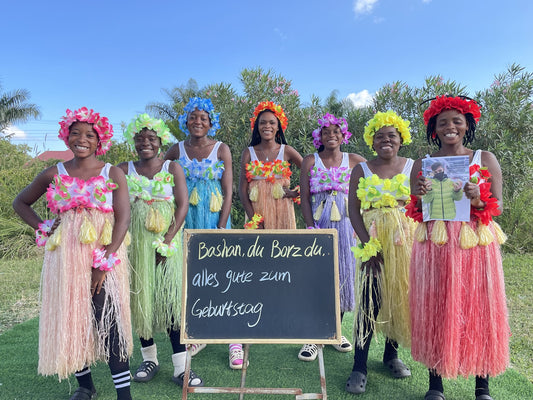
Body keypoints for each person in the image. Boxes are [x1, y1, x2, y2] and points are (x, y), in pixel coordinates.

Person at [13, 108, 133, 400]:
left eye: (89, 135)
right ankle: (85, 385)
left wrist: (104, 262)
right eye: (76, 133)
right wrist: (44, 227)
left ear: (99, 140)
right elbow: (21, 202)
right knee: (73, 318)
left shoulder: (112, 172)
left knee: (110, 320)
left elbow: (124, 217)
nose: (82, 139)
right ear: (66, 137)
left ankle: (124, 394)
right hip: (65, 259)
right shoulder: (54, 172)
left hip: (102, 257)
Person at [409, 95, 509, 400]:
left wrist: (478, 199)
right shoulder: (423, 164)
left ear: (467, 125)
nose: (450, 127)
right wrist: (420, 195)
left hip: (474, 244)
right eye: (443, 123)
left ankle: (482, 387)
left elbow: (499, 206)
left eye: (456, 121)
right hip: (437, 244)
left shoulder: (484, 158)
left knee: (479, 307)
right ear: (433, 129)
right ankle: (435, 385)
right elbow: (414, 208)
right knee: (436, 307)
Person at [117, 114, 203, 387]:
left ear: (160, 141)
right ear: (133, 142)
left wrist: (167, 241)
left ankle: (181, 368)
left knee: (171, 304)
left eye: (151, 139)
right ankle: (149, 359)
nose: (146, 143)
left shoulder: (172, 167)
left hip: (168, 245)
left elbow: (182, 205)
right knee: (142, 302)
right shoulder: (122, 169)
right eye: (140, 139)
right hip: (135, 246)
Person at [164, 97, 237, 368]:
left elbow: (229, 191)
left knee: (222, 274)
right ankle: (199, 331)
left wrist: (221, 226)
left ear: (211, 123)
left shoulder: (221, 149)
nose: (198, 122)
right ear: (186, 121)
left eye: (203, 118)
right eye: (193, 117)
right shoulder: (175, 149)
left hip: (213, 213)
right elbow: (158, 173)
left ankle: (233, 338)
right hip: (186, 216)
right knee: (191, 274)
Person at [345, 110, 414, 394]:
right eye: (380, 136)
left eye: (392, 136)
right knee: (370, 299)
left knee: (400, 295)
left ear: (401, 140)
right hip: (372, 240)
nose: (386, 140)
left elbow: (422, 203)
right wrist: (366, 244)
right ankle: (359, 365)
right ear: (372, 142)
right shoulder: (361, 169)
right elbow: (352, 209)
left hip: (404, 239)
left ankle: (391, 354)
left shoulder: (413, 166)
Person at [298, 113, 365, 362]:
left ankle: (333, 331)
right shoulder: (310, 161)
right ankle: (314, 336)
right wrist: (309, 226)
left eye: (336, 131)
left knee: (344, 279)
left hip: (348, 227)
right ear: (320, 136)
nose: (331, 135)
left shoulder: (355, 161)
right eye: (326, 132)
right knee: (320, 279)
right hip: (320, 225)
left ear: (343, 135)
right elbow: (304, 197)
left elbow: (370, 191)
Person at [239, 101, 302, 230]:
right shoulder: (249, 153)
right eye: (262, 122)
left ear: (278, 126)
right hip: (257, 213)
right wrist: (253, 219)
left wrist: (295, 193)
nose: (267, 126)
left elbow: (311, 173)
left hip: (283, 213)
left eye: (272, 122)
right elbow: (242, 190)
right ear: (257, 126)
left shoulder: (287, 151)